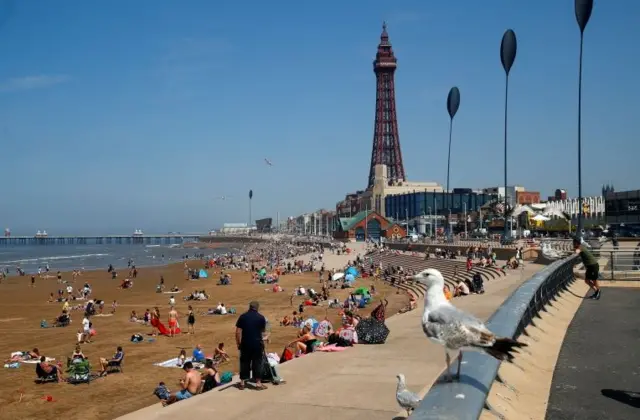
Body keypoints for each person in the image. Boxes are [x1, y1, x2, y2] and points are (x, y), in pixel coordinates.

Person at [235, 301, 267, 390]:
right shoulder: (261, 318)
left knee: (244, 362)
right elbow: (263, 332)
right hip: (257, 343)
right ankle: (258, 384)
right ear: (257, 308)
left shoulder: (243, 317)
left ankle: (242, 383)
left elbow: (238, 332)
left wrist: (238, 343)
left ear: (249, 307)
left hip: (245, 343)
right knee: (257, 362)